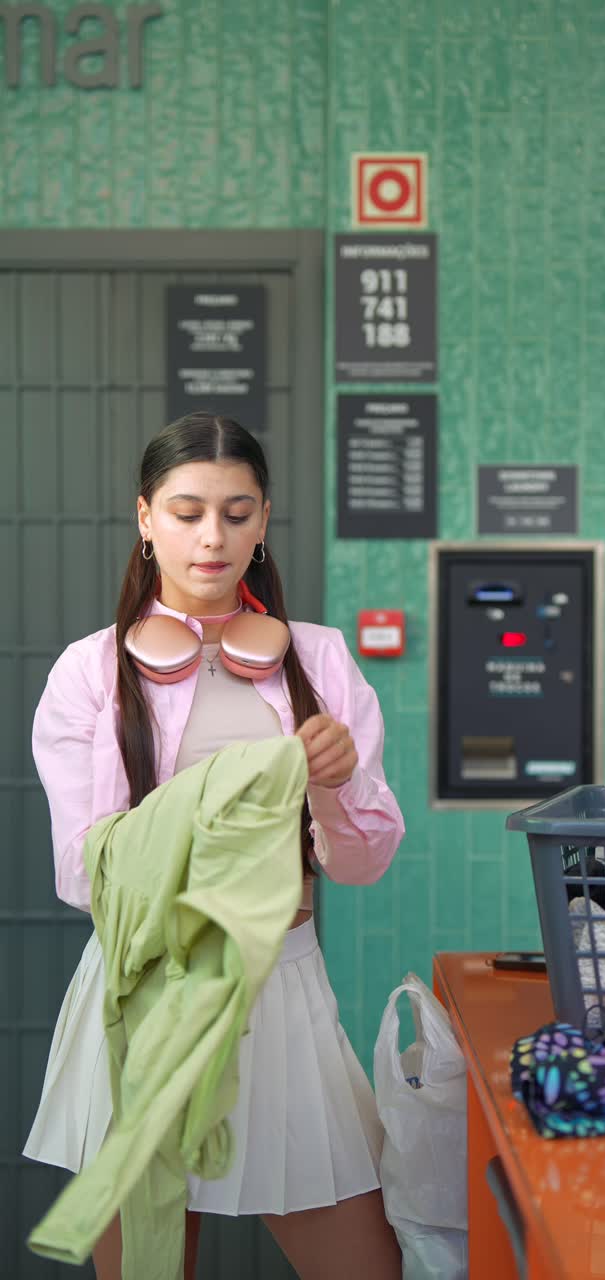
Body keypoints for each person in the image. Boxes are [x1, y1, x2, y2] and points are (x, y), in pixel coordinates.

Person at [23, 413, 405, 1280]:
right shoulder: (91, 672)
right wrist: (233, 797)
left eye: (237, 513)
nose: (212, 536)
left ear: (264, 520)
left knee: (368, 1267)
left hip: (281, 989)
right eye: (188, 510)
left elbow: (364, 862)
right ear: (145, 517)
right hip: (144, 994)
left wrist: (335, 786)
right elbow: (86, 873)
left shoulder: (320, 661)